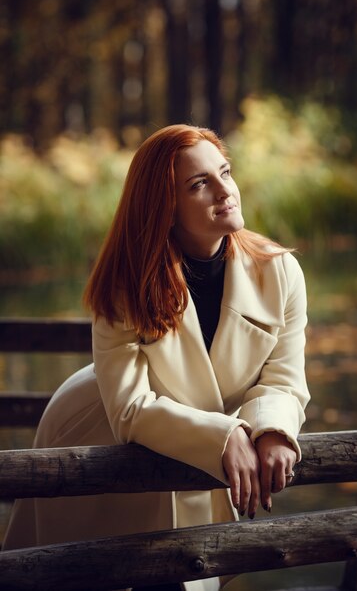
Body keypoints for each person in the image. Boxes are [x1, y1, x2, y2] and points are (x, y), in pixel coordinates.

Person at [3, 124, 310, 591]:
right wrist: (225, 435)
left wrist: (270, 429)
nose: (226, 190)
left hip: (188, 440)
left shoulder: (280, 269)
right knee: (93, 574)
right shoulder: (126, 281)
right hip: (96, 428)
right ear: (165, 207)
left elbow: (284, 380)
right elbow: (128, 410)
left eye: (224, 171)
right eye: (199, 184)